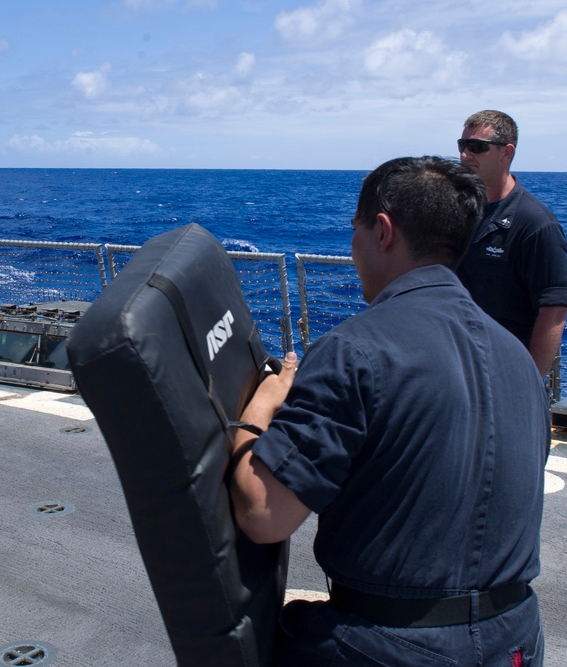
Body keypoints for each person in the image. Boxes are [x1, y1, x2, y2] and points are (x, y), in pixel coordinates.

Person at [228, 157, 547, 665]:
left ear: (381, 231)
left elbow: (264, 515)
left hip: (391, 646)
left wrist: (258, 410)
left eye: (354, 229)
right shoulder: (518, 359)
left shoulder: (354, 349)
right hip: (516, 640)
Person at [456, 110, 567, 377]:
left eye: (477, 147)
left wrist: (527, 382)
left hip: (503, 374)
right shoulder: (457, 212)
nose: (465, 155)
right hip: (457, 370)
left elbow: (553, 310)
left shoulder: (536, 224)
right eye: (462, 146)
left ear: (506, 153)